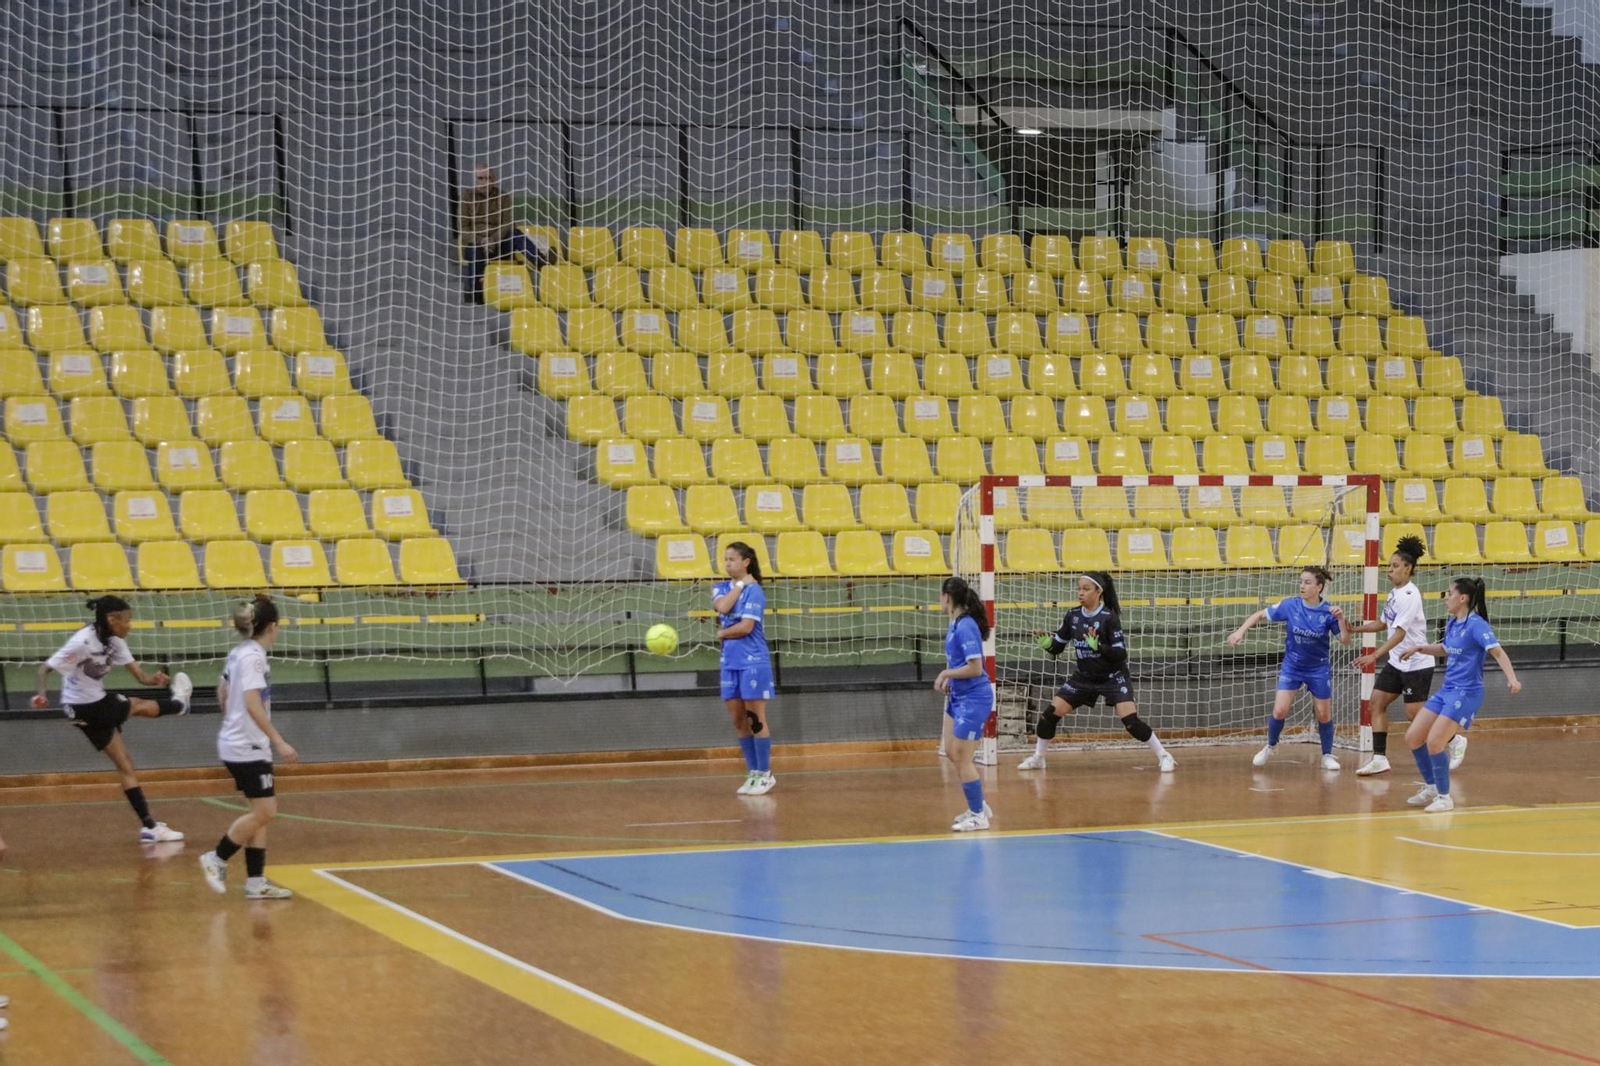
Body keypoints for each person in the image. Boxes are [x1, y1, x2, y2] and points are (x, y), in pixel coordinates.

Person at [31, 596, 191, 842]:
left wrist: (154, 678)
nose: (130, 625)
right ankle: (180, 704)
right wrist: (41, 695)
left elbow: (140, 677)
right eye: (127, 620)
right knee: (136, 705)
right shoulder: (82, 642)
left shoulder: (115, 642)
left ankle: (149, 827)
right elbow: (45, 669)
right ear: (111, 619)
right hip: (84, 706)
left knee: (125, 763)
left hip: (91, 704)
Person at [1019, 571, 1177, 773]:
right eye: (1079, 588)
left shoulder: (1109, 618)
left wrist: (1098, 647)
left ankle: (1164, 755)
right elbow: (1057, 646)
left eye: (1086, 589)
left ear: (1099, 591)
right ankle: (1039, 758)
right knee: (1050, 714)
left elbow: (1120, 654)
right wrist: (1047, 644)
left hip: (1112, 677)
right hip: (1085, 677)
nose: (1080, 593)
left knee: (1131, 722)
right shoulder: (1072, 616)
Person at [198, 596, 298, 900]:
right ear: (272, 627)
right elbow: (254, 704)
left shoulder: (239, 651)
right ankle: (216, 857)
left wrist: (231, 717)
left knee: (259, 812)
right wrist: (279, 741)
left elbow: (223, 688)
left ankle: (255, 882)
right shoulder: (253, 657)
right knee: (267, 811)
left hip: (238, 741)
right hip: (247, 745)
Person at [1400, 577, 1521, 812]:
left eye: (1450, 593)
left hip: (1467, 693)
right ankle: (1432, 787)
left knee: (1435, 742)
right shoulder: (1453, 623)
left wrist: (1512, 678)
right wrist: (1420, 647)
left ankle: (1445, 798)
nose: (1446, 597)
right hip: (1447, 690)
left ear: (1462, 598)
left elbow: (1498, 652)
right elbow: (1446, 648)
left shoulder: (1477, 625)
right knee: (1413, 737)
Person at [1350, 535, 1464, 775]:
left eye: (1394, 566)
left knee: (1414, 714)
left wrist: (1374, 655)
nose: (1389, 571)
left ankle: (1454, 740)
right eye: (1389, 566)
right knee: (1376, 702)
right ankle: (1379, 757)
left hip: (1416, 663)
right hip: (1397, 662)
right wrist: (1355, 628)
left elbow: (1400, 634)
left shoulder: (1410, 596)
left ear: (1408, 568)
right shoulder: (1394, 594)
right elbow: (1384, 624)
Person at [1230, 566, 1352, 770]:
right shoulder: (1291, 606)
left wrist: (1340, 620)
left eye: (1307, 582)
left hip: (1318, 669)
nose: (1302, 586)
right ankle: (1271, 745)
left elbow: (1346, 641)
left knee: (1323, 714)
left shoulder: (1329, 613)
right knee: (1279, 710)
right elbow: (1260, 614)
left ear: (1319, 587)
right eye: (1301, 581)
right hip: (1292, 666)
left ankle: (1327, 755)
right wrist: (1241, 631)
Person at [712, 543, 775, 796]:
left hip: (752, 662)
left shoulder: (755, 591)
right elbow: (722, 607)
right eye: (725, 559)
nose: (727, 563)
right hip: (730, 663)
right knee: (738, 720)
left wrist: (723, 632)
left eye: (732, 559)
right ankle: (752, 773)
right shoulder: (721, 588)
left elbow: (746, 627)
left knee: (755, 719)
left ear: (746, 562)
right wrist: (739, 585)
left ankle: (764, 773)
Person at [936, 577, 994, 832]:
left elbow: (975, 668)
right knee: (951, 751)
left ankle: (979, 815)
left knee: (963, 756)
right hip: (957, 697)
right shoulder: (955, 624)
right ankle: (978, 804)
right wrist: (950, 675)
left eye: (940, 596)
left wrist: (946, 674)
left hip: (974, 698)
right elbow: (958, 661)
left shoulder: (965, 626)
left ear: (947, 597)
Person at [458, 164, 552, 303]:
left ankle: (542, 262)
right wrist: (481, 240)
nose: (485, 182)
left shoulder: (504, 197)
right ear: (475, 180)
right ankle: (477, 293)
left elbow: (508, 223)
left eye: (489, 178)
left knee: (516, 234)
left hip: (500, 243)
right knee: (475, 251)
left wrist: (493, 240)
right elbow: (463, 228)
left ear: (494, 179)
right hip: (477, 243)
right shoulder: (466, 198)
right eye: (481, 178)